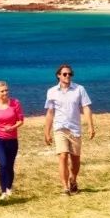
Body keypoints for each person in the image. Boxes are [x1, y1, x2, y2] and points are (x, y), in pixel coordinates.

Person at [44, 64, 95, 196]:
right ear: (58, 75)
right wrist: (47, 132)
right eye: (65, 74)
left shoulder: (79, 89)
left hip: (75, 129)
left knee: (75, 159)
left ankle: (73, 179)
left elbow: (86, 108)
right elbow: (50, 112)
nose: (68, 76)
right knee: (62, 156)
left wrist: (90, 126)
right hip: (60, 128)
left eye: (70, 74)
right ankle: (65, 187)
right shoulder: (52, 91)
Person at [0, 80, 24, 200]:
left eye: (6, 90)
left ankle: (9, 188)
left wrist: (12, 127)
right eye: (2, 91)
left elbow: (21, 121)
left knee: (10, 165)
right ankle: (3, 191)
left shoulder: (15, 103)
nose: (5, 93)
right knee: (3, 164)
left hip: (12, 140)